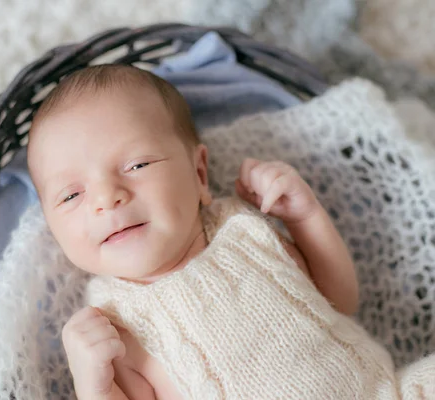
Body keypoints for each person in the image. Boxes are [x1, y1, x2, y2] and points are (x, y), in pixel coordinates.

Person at [26, 64, 433, 399]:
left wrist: (305, 217)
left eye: (137, 166)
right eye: (71, 195)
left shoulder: (244, 234)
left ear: (199, 174)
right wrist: (92, 384)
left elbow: (341, 300)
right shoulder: (112, 327)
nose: (107, 198)